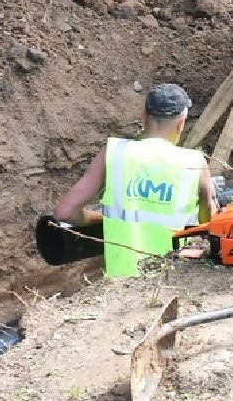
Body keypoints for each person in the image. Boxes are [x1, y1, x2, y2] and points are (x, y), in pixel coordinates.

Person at [53, 83, 218, 277]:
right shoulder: (194, 162)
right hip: (171, 278)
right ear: (181, 122)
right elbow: (212, 225)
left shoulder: (114, 153)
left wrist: (103, 218)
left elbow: (64, 213)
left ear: (143, 117)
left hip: (121, 286)